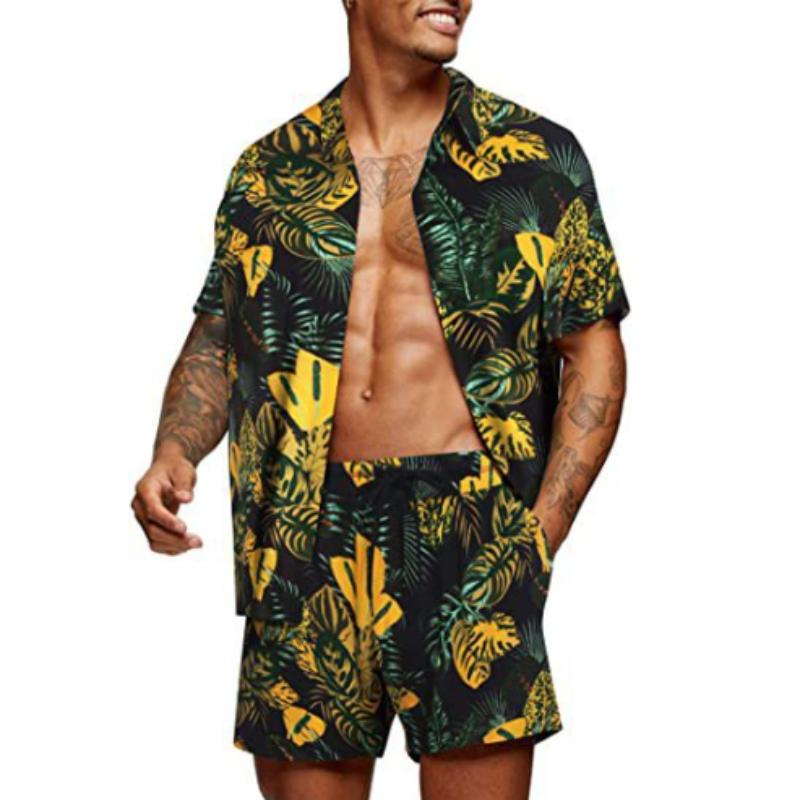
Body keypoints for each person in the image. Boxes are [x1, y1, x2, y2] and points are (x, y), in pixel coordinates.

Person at [131, 0, 630, 797]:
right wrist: (173, 450)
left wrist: (538, 535)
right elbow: (221, 334)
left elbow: (592, 350)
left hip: (469, 526)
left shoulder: (534, 156)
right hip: (303, 531)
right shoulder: (270, 170)